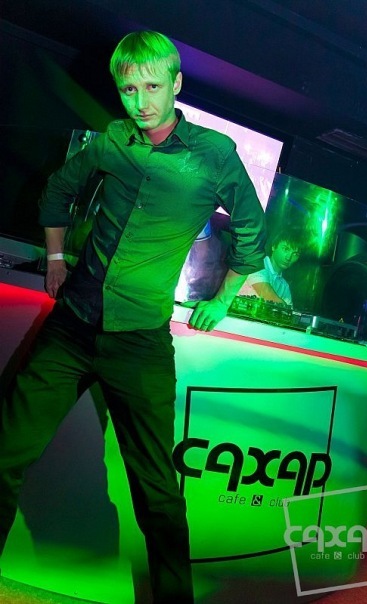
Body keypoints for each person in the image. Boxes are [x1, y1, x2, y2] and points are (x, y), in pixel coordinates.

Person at [0, 31, 266, 604]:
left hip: (140, 345)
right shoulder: (112, 141)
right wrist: (55, 258)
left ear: (176, 84)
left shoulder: (214, 153)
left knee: (158, 495)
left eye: (152, 87)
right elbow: (57, 193)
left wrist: (221, 300)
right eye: (128, 89)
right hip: (71, 329)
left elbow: (252, 236)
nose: (141, 102)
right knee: (4, 453)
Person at [240, 229, 302, 306]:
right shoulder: (258, 264)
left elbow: (288, 311)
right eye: (286, 249)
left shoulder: (284, 286)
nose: (288, 257)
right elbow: (266, 294)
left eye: (295, 254)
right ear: (274, 246)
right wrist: (285, 308)